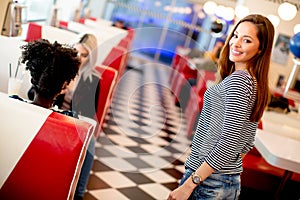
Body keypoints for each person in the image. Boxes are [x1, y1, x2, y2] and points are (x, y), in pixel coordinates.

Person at [168, 14, 274, 200]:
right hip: (221, 181)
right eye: (235, 36)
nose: (236, 43)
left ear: (260, 49)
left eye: (247, 40)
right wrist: (226, 171)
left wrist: (191, 183)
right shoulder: (254, 83)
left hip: (207, 183)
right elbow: (247, 142)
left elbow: (228, 143)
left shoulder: (239, 82)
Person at [54, 33, 100, 200]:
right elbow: (38, 94)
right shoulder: (60, 69)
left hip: (74, 121)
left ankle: (79, 194)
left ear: (91, 57)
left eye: (84, 55)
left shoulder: (93, 79)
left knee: (90, 141)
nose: (79, 58)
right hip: (54, 116)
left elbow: (89, 113)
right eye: (76, 52)